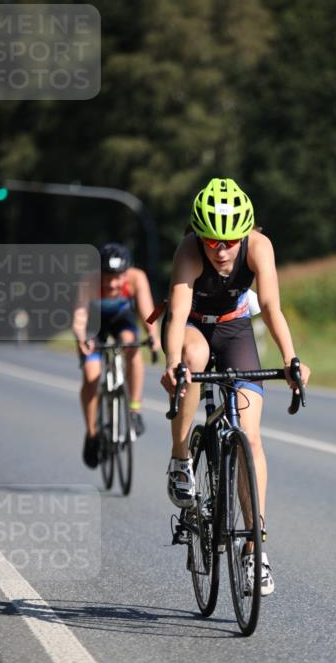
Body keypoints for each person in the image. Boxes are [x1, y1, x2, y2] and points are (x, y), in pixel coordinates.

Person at [160, 177, 310, 597]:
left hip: (235, 329)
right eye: (211, 241)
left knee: (251, 435)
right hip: (192, 328)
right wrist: (173, 364)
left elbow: (273, 309)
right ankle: (180, 458)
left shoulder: (259, 247)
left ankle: (253, 548)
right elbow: (177, 316)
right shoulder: (189, 252)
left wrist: (291, 359)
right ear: (198, 235)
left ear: (244, 233)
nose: (221, 250)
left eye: (229, 241)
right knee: (192, 360)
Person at [72, 243, 161, 468]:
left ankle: (134, 409)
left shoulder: (137, 278)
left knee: (132, 346)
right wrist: (82, 338)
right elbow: (80, 318)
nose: (112, 283)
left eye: (117, 277)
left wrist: (152, 336)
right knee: (92, 375)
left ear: (126, 273)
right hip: (95, 325)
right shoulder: (88, 281)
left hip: (122, 321)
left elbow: (149, 315)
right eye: (107, 276)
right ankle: (92, 433)